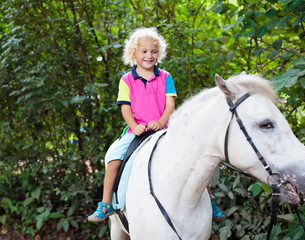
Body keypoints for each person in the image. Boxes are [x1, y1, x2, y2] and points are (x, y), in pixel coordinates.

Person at [88, 27, 223, 223]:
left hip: (165, 130)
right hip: (137, 132)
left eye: (153, 51)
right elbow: (125, 108)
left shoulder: (165, 77)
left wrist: (160, 122)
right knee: (113, 157)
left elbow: (170, 104)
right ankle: (106, 202)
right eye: (144, 51)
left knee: (195, 157)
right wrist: (134, 126)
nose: (149, 56)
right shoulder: (126, 80)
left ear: (158, 53)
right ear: (134, 53)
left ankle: (209, 200)